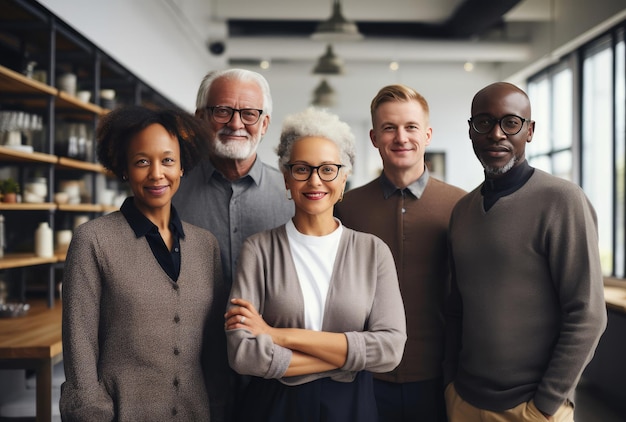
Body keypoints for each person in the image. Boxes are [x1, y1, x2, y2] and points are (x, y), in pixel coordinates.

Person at [224, 107, 407, 422]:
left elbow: (390, 349)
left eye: (327, 169)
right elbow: (242, 354)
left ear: (344, 176)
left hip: (352, 409)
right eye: (301, 169)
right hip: (274, 408)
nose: (314, 181)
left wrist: (277, 335)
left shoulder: (373, 252)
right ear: (286, 177)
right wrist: (351, 357)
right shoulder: (258, 250)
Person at [443, 82, 607, 422]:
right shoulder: (463, 210)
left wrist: (545, 405)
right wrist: (450, 385)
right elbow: (457, 308)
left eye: (511, 123)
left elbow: (587, 315)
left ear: (529, 131)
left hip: (531, 408)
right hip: (464, 400)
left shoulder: (562, 200)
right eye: (484, 122)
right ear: (471, 131)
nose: (497, 134)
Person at [60, 106, 227, 421]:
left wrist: (218, 408)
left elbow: (215, 348)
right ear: (124, 169)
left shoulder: (206, 245)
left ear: (182, 167)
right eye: (141, 162)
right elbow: (79, 344)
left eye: (167, 160)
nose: (156, 173)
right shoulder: (92, 240)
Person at [335, 84, 466, 422]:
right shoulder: (346, 208)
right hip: (363, 375)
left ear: (427, 134)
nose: (401, 137)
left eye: (410, 127)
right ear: (374, 137)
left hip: (440, 375)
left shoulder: (462, 205)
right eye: (389, 128)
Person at [173, 68, 294, 287]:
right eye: (222, 111)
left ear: (264, 124)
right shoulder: (171, 192)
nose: (236, 124)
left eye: (249, 113)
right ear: (200, 118)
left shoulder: (293, 196)